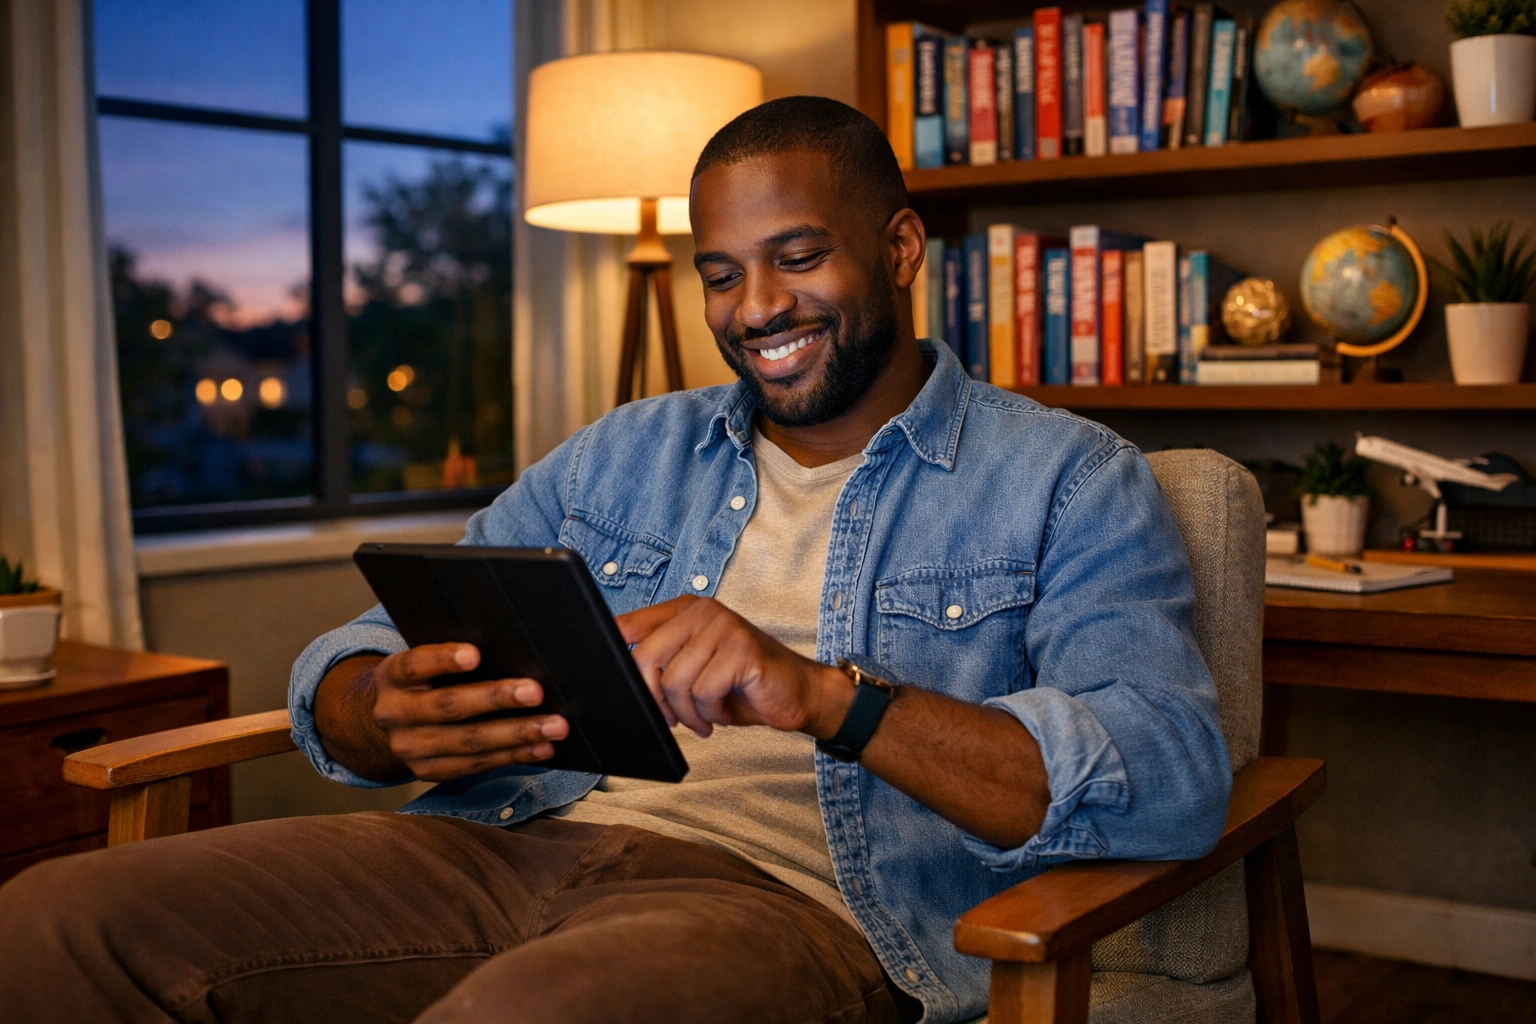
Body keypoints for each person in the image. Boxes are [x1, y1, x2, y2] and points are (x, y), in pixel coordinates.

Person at [0, 97, 1231, 1024]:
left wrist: (821, 692)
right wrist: (379, 707)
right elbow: (365, 648)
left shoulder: (1069, 478)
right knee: (52, 922)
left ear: (902, 250)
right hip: (493, 841)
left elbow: (1172, 774)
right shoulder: (622, 455)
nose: (756, 308)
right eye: (721, 273)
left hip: (791, 905)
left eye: (798, 258)